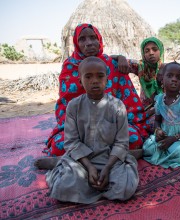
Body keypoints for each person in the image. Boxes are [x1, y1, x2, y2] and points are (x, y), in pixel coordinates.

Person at [44, 23, 150, 157]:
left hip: (111, 123)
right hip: (81, 126)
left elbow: (145, 67)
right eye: (82, 39)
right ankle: (116, 155)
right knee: (58, 146)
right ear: (76, 43)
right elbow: (66, 107)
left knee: (134, 138)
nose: (88, 43)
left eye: (93, 38)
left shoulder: (113, 64)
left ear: (99, 40)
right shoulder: (70, 67)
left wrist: (120, 57)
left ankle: (82, 158)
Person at [46, 56, 139, 204]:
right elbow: (71, 142)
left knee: (125, 188)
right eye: (88, 76)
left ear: (107, 79)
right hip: (81, 160)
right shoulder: (74, 106)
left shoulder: (117, 105)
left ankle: (89, 185)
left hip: (109, 159)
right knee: (63, 187)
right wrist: (89, 168)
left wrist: (108, 168)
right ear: (80, 81)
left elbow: (122, 142)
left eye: (100, 76)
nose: (94, 81)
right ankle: (60, 165)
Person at [142, 62, 180, 168]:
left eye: (178, 77)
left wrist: (174, 138)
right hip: (165, 135)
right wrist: (158, 130)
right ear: (162, 79)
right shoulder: (159, 100)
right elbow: (157, 120)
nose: (174, 79)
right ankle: (163, 152)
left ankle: (164, 154)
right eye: (170, 76)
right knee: (147, 147)